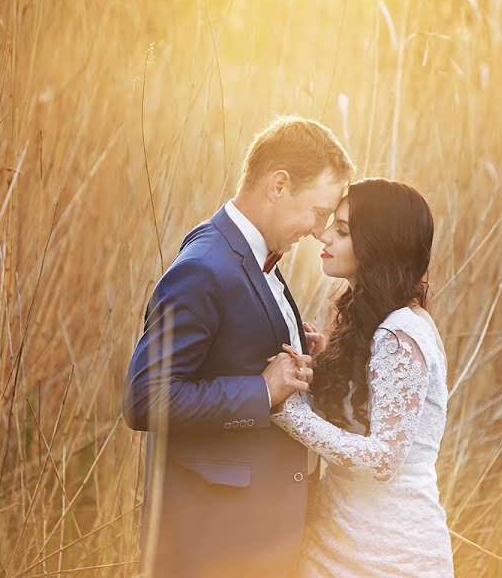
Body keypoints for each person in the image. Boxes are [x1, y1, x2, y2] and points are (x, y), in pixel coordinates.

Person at [122, 115, 355, 577]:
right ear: (278, 185)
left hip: (256, 536)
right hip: (215, 541)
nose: (318, 229)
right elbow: (145, 398)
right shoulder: (205, 267)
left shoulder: (253, 255)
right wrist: (261, 392)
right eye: (319, 211)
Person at [270, 178, 455, 576]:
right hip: (331, 542)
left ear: (378, 244)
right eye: (331, 225)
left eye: (343, 231)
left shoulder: (400, 333)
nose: (325, 236)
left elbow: (384, 460)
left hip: (389, 553)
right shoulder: (372, 323)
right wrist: (324, 368)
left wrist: (289, 410)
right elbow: (362, 418)